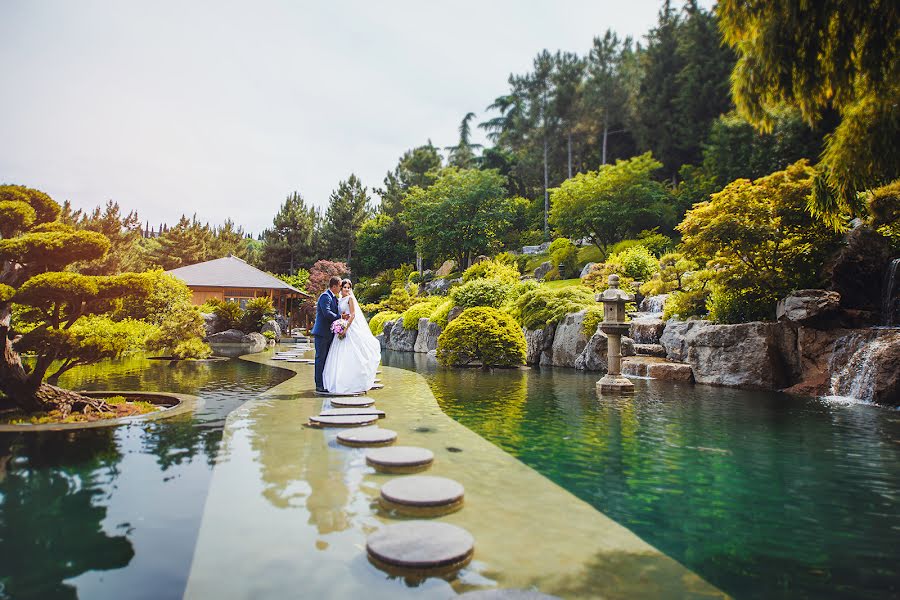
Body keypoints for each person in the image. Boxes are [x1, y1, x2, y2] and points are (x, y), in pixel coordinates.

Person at [322, 279, 381, 395]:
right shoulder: (339, 300)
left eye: (349, 287)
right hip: (340, 329)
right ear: (341, 288)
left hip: (349, 328)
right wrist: (339, 325)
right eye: (345, 287)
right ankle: (337, 380)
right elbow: (340, 314)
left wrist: (345, 328)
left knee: (351, 353)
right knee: (338, 355)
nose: (347, 289)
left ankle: (353, 382)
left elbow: (353, 315)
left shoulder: (350, 299)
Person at [310, 275, 344, 393]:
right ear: (334, 286)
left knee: (327, 359)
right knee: (320, 358)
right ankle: (319, 384)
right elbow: (327, 313)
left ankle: (325, 382)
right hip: (321, 333)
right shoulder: (325, 296)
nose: (341, 288)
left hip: (329, 334)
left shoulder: (334, 298)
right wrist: (340, 317)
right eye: (340, 286)